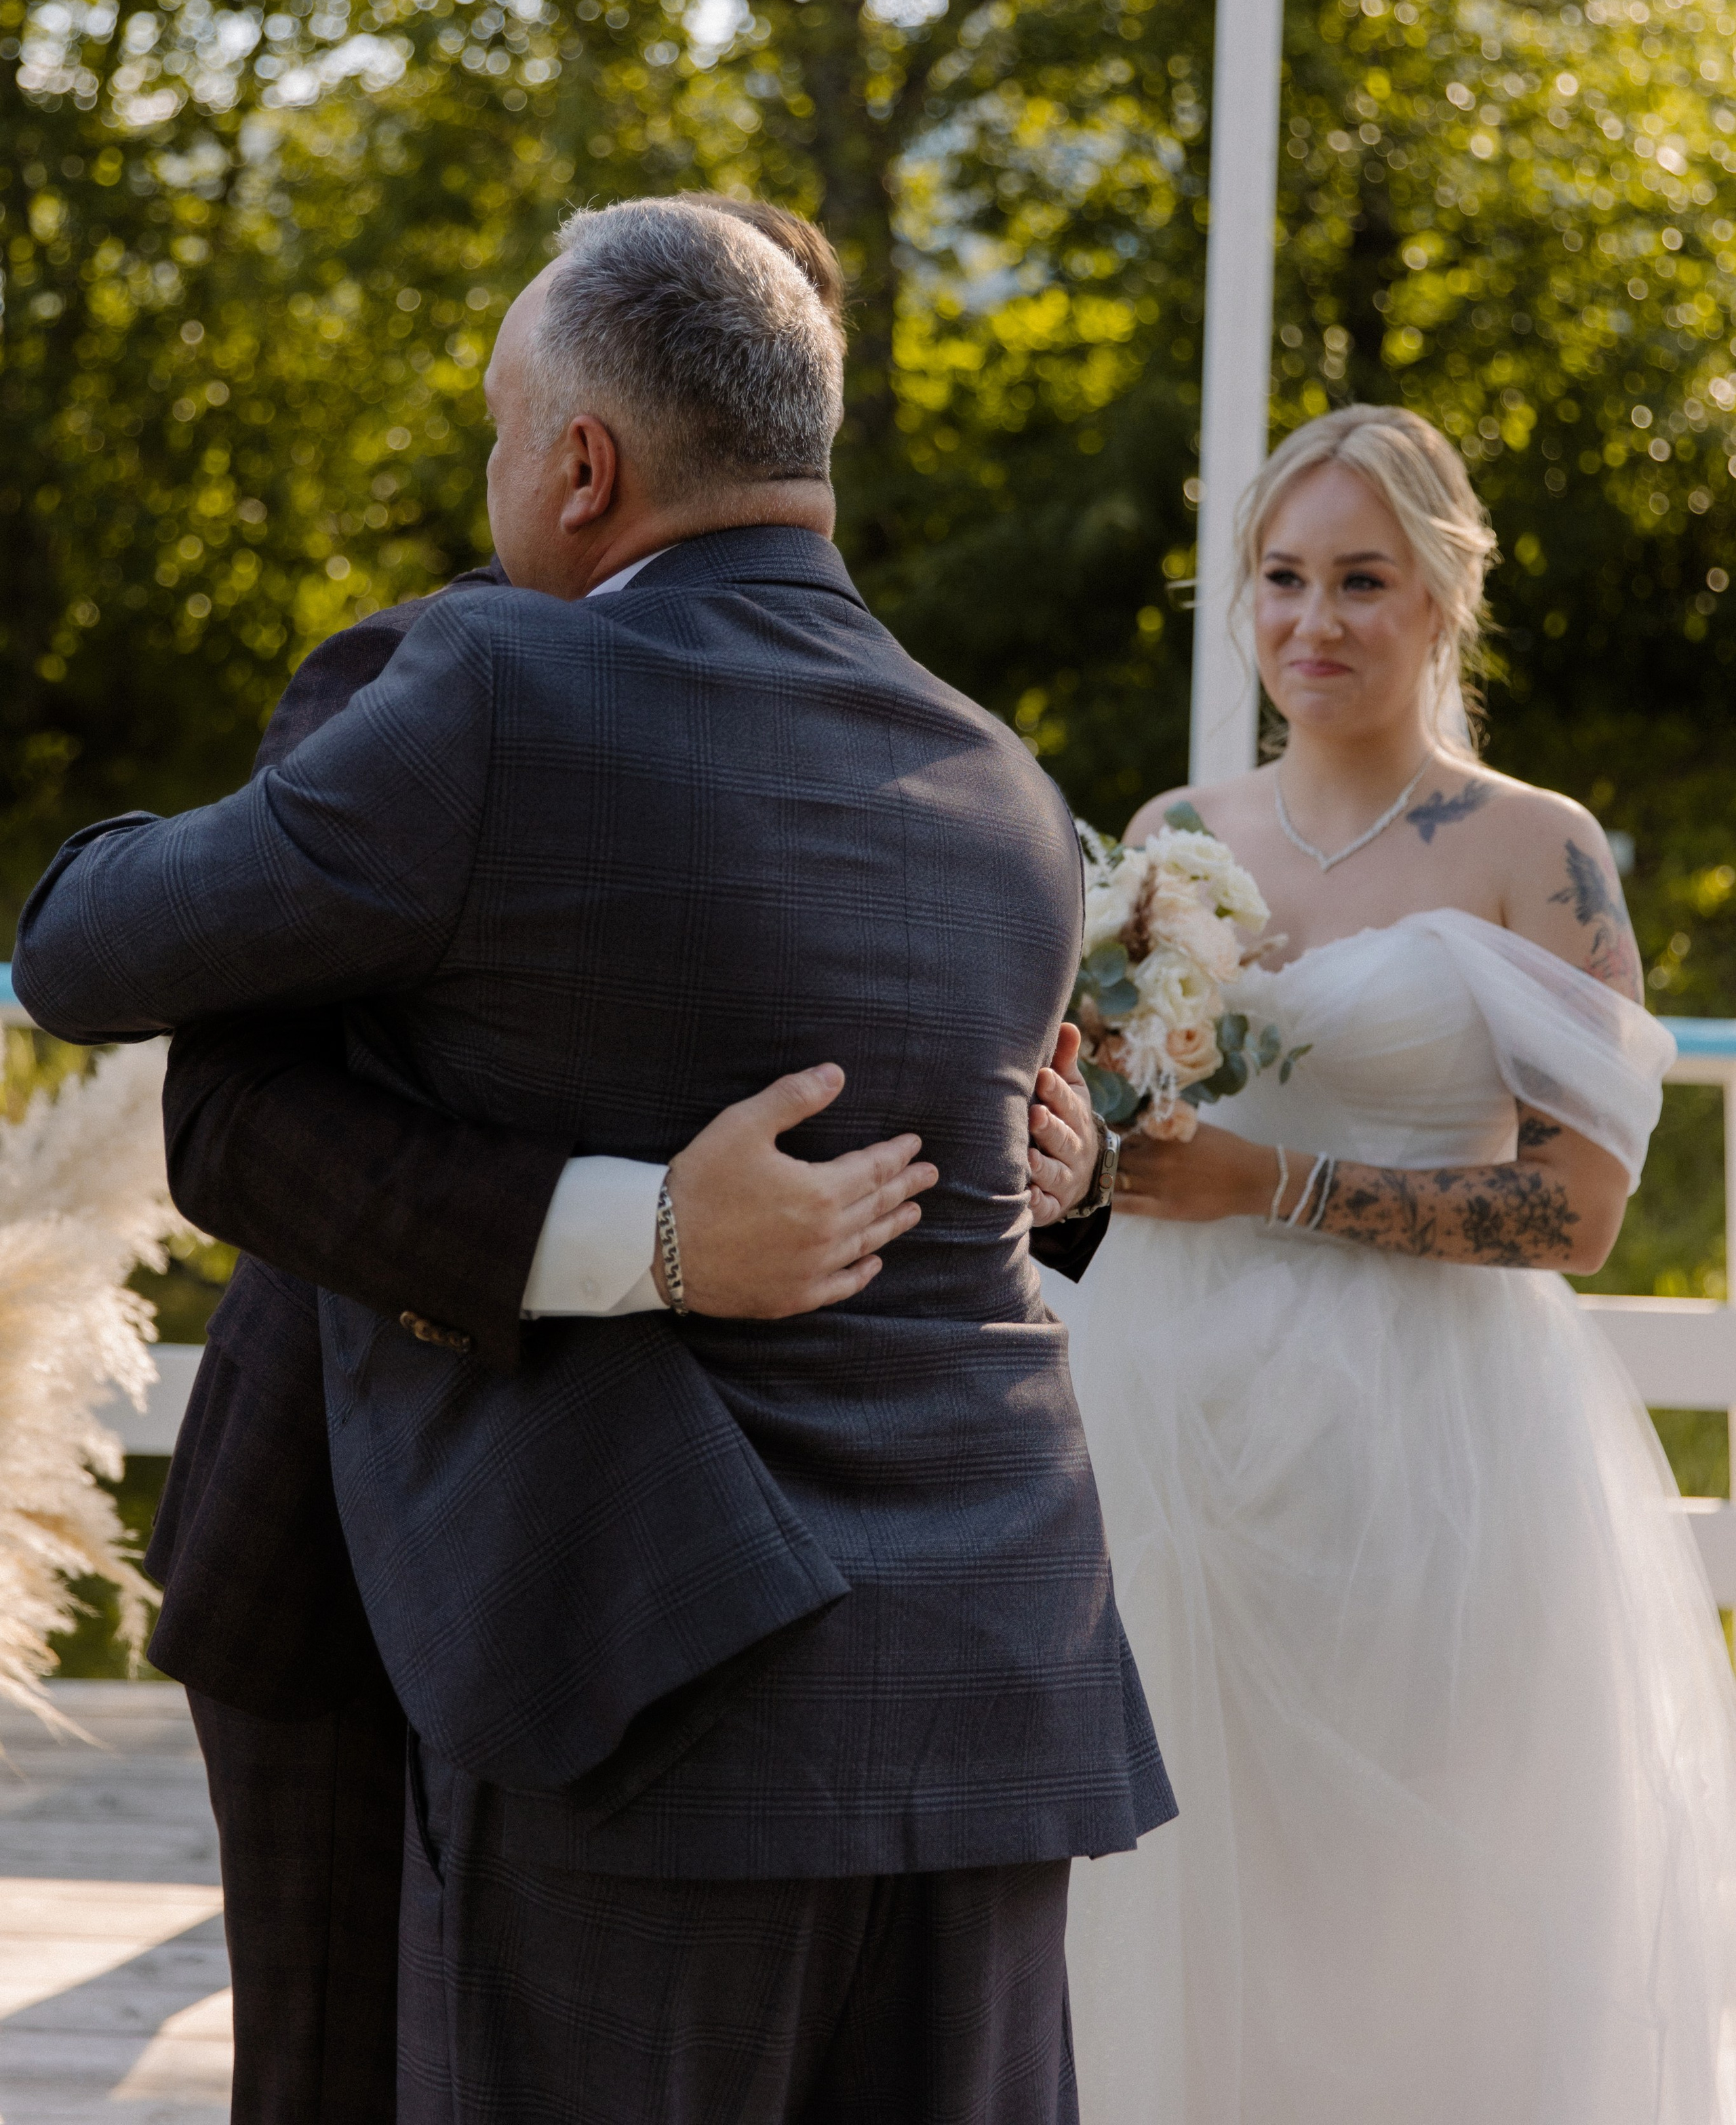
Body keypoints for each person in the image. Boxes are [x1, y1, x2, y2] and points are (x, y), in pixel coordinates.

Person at [16, 195, 1169, 2124]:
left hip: (652, 1670)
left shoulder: (484, 689)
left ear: (579, 463)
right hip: (988, 1670)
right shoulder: (1004, 784)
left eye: (494, 428)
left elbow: (83, 952)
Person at [1044, 402, 1736, 2125]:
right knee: (1177, 1871)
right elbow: (1120, 1120)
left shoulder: (1532, 848)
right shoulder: (1173, 834)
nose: (1313, 621)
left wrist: (1270, 1185)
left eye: (1360, 580)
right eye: (1281, 579)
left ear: (1439, 596)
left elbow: (1575, 1211)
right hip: (1176, 1432)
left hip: (1430, 1446)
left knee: (1415, 1903)